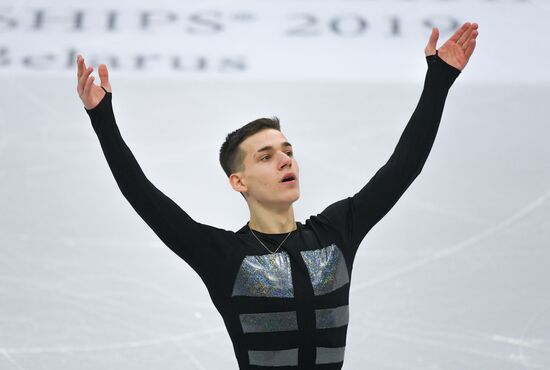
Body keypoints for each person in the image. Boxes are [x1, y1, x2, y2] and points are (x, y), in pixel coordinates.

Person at [77, 22, 478, 370]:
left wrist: (439, 80)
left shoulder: (336, 233)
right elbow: (142, 194)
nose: (285, 161)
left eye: (288, 151)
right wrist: (103, 120)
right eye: (266, 157)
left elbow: (404, 166)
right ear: (239, 182)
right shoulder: (223, 256)